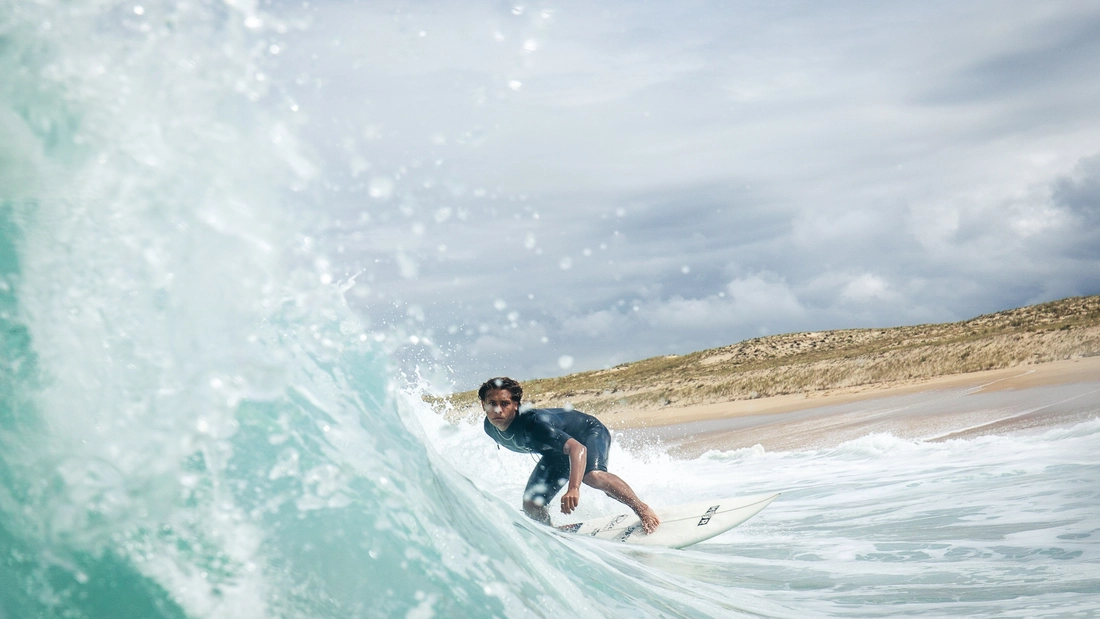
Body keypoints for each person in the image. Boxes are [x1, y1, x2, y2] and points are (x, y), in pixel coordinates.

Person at [479, 376, 660, 534]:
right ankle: (552, 533)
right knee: (531, 505)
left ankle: (642, 509)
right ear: (483, 405)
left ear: (516, 405)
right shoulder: (489, 427)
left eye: (504, 403)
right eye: (491, 404)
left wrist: (574, 488)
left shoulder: (534, 424)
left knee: (593, 476)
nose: (497, 410)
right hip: (556, 451)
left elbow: (577, 449)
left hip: (587, 433)